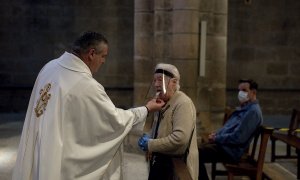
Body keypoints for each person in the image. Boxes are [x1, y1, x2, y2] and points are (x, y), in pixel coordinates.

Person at [12, 31, 165, 180]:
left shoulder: (49, 67)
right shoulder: (86, 85)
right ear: (91, 54)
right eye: (103, 56)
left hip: (43, 146)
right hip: (60, 159)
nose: (104, 61)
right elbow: (115, 120)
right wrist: (146, 109)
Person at [138, 63, 199, 180]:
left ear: (174, 82)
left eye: (160, 80)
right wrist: (150, 136)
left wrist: (150, 144)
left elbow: (180, 138)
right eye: (155, 80)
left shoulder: (183, 103)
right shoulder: (162, 102)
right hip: (161, 164)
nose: (156, 84)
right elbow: (161, 129)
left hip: (176, 166)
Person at [198, 79, 263, 180]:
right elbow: (227, 128)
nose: (241, 93)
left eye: (244, 90)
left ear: (253, 92)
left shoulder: (253, 112)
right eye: (239, 90)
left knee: (196, 154)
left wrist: (217, 138)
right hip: (224, 146)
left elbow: (238, 137)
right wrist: (216, 135)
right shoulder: (244, 108)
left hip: (231, 151)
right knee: (194, 150)